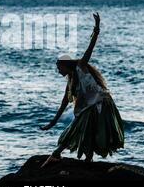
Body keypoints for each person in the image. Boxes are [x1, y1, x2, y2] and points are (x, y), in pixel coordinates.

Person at [40, 12, 124, 167]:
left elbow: (90, 49)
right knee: (87, 129)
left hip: (101, 102)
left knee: (79, 127)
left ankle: (57, 154)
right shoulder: (71, 81)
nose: (58, 71)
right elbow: (64, 103)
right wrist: (52, 123)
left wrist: (96, 29)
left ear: (66, 65)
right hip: (91, 105)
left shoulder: (80, 66)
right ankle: (87, 159)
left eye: (59, 68)